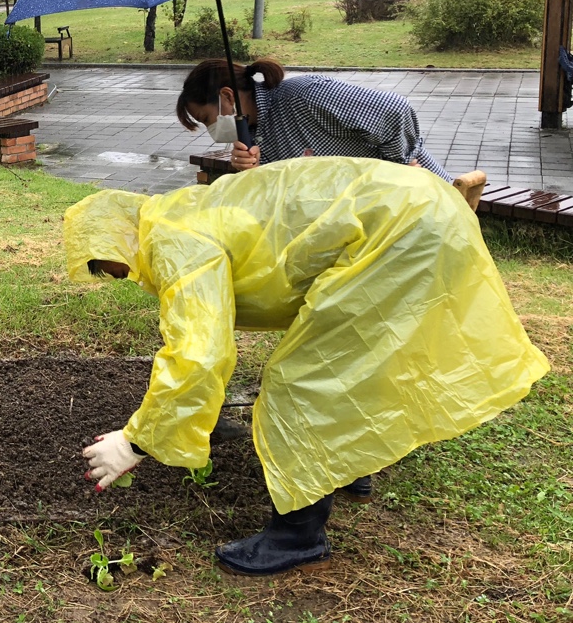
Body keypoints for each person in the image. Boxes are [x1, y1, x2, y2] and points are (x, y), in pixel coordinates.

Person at [67, 158, 548, 576]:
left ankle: (299, 535)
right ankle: (348, 467)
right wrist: (200, 420)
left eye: (108, 267)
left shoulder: (171, 243)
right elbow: (219, 326)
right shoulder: (176, 211)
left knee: (305, 381)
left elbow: (198, 350)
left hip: (400, 227)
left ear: (116, 241)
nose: (122, 277)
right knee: (357, 356)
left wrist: (135, 441)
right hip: (421, 209)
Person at [177, 58, 449, 179]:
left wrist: (398, 168)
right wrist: (253, 173)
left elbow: (393, 109)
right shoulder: (254, 134)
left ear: (227, 96)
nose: (210, 128)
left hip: (422, 192)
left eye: (206, 118)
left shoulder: (303, 96)